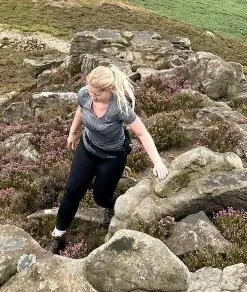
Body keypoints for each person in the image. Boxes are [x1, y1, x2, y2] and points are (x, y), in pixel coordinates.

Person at [46, 65, 168, 253]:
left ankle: (114, 205)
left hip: (112, 157)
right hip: (87, 149)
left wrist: (157, 161)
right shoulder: (85, 94)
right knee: (72, 191)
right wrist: (71, 133)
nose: (92, 96)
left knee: (101, 197)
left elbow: (143, 133)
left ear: (109, 90)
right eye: (90, 91)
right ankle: (58, 236)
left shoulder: (119, 107)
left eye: (97, 94)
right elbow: (80, 111)